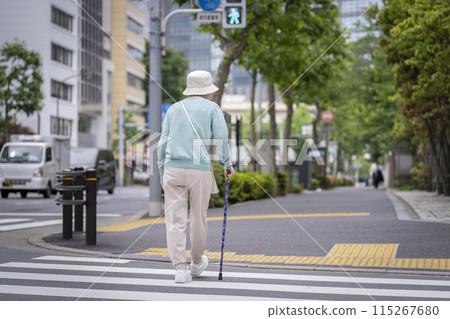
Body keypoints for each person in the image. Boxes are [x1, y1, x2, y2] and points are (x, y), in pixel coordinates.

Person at [157, 70, 235, 283]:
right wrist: (227, 164)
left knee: (174, 221)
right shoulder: (212, 108)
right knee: (198, 218)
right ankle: (196, 263)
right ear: (207, 91)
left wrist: (162, 170)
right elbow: (221, 138)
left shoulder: (174, 109)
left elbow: (162, 142)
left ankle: (180, 270)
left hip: (172, 169)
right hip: (199, 170)